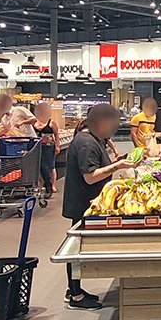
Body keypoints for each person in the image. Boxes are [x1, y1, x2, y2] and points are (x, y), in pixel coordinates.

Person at [61, 103, 132, 309]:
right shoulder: (86, 144)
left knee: (78, 246)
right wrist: (117, 166)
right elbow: (90, 176)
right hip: (83, 202)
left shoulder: (92, 138)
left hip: (88, 201)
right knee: (77, 248)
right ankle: (75, 296)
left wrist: (115, 160)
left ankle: (74, 288)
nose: (114, 129)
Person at [34, 100, 58, 196]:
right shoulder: (35, 121)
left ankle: (53, 185)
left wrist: (57, 146)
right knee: (40, 166)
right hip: (37, 146)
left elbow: (56, 134)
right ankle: (42, 184)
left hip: (49, 146)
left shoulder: (51, 122)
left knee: (50, 166)